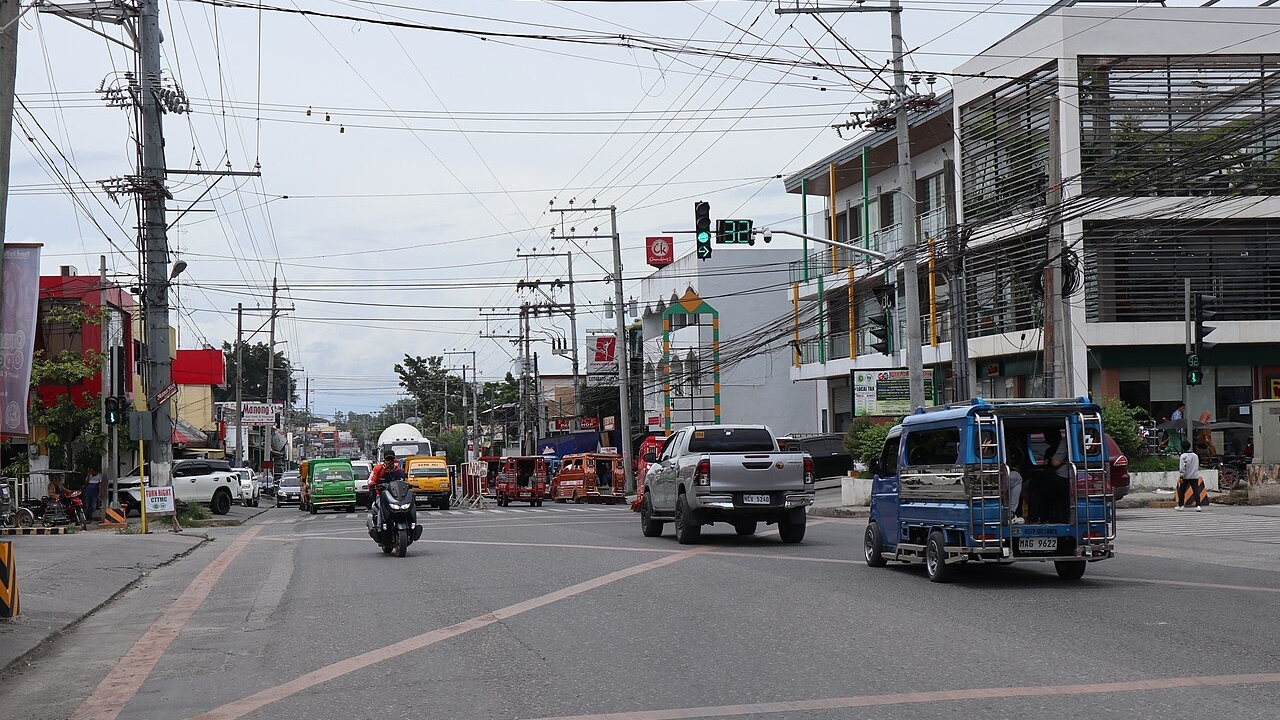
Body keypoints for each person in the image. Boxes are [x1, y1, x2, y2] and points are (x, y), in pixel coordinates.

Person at [368, 451, 405, 525]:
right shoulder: (378, 469)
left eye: (391, 459)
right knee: (382, 507)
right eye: (388, 459)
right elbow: (370, 480)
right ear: (384, 459)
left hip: (396, 497)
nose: (389, 461)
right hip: (381, 496)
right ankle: (379, 526)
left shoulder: (399, 471)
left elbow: (403, 482)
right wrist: (373, 484)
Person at [1178, 447, 1205, 511]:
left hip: (1186, 477)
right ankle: (1198, 505)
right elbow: (1197, 465)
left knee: (1182, 491)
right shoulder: (1195, 455)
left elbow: (1182, 467)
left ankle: (1181, 505)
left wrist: (1181, 476)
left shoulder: (1183, 456)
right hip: (1194, 476)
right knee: (1196, 491)